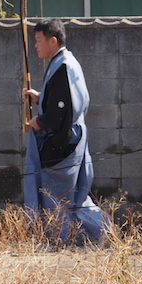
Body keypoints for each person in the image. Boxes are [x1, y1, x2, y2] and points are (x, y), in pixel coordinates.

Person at [21, 19, 110, 246]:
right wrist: (41, 97)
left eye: (39, 41)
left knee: (57, 196)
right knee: (75, 195)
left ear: (53, 40)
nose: (36, 46)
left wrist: (39, 121)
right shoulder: (65, 62)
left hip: (63, 142)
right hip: (73, 139)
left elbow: (60, 112)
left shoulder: (62, 66)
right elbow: (65, 99)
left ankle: (61, 240)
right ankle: (98, 232)